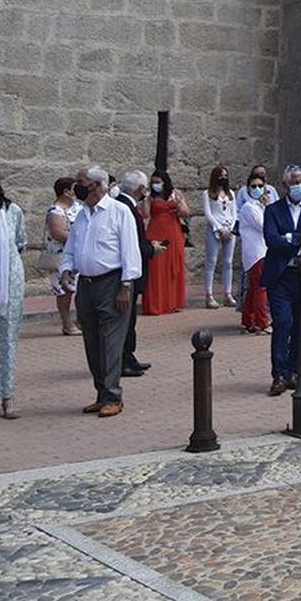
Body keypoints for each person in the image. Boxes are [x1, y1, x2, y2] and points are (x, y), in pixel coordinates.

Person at [59, 165, 141, 418]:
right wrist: (66, 269)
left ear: (97, 185)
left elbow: (130, 251)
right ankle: (101, 392)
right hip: (87, 284)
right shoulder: (83, 214)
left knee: (110, 341)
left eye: (82, 182)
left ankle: (113, 395)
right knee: (92, 340)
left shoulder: (119, 212)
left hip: (112, 282)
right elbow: (72, 247)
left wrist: (125, 286)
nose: (78, 187)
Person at [262, 166, 301, 396]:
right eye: (295, 182)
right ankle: (278, 373)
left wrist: (289, 237)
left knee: (300, 325)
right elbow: (271, 239)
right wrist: (296, 241)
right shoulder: (273, 210)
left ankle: (293, 371)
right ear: (285, 185)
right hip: (280, 276)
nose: (299, 186)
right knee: (282, 323)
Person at [0, 164, 27, 420]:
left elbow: (20, 243)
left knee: (5, 340)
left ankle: (7, 397)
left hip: (7, 287)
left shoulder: (12, 212)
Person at [115, 171, 158, 377]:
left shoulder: (129, 206)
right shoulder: (126, 208)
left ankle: (129, 356)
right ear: (140, 189)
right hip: (128, 273)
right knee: (126, 319)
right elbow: (130, 244)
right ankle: (122, 360)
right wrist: (151, 249)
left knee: (130, 319)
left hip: (134, 270)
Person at [140, 170, 188, 315]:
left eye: (158, 182)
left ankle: (173, 302)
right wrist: (146, 200)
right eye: (153, 182)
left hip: (173, 232)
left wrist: (179, 204)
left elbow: (186, 213)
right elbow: (146, 214)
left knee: (173, 265)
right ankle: (156, 304)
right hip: (155, 231)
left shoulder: (176, 194)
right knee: (156, 268)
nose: (156, 185)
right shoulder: (150, 197)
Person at [237, 170, 271, 335]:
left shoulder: (258, 207)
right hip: (257, 252)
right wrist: (268, 208)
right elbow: (264, 226)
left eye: (260, 186)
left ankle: (248, 320)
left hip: (259, 251)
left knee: (254, 288)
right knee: (261, 287)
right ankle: (261, 322)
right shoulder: (249, 208)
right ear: (248, 189)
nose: (257, 189)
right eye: (253, 186)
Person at [44, 176, 79, 336]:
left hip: (77, 255)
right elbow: (58, 233)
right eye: (74, 188)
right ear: (66, 192)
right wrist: (82, 236)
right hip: (61, 257)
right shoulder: (56, 211)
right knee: (64, 291)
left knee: (77, 289)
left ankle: (80, 321)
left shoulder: (77, 207)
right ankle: (66, 323)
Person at [202, 165, 238, 310]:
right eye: (220, 175)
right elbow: (208, 213)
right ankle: (209, 295)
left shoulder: (231, 194)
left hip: (229, 228)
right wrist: (219, 228)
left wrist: (230, 227)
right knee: (211, 261)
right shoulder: (207, 194)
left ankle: (227, 294)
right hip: (215, 228)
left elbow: (234, 212)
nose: (223, 178)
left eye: (225, 175)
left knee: (228, 262)